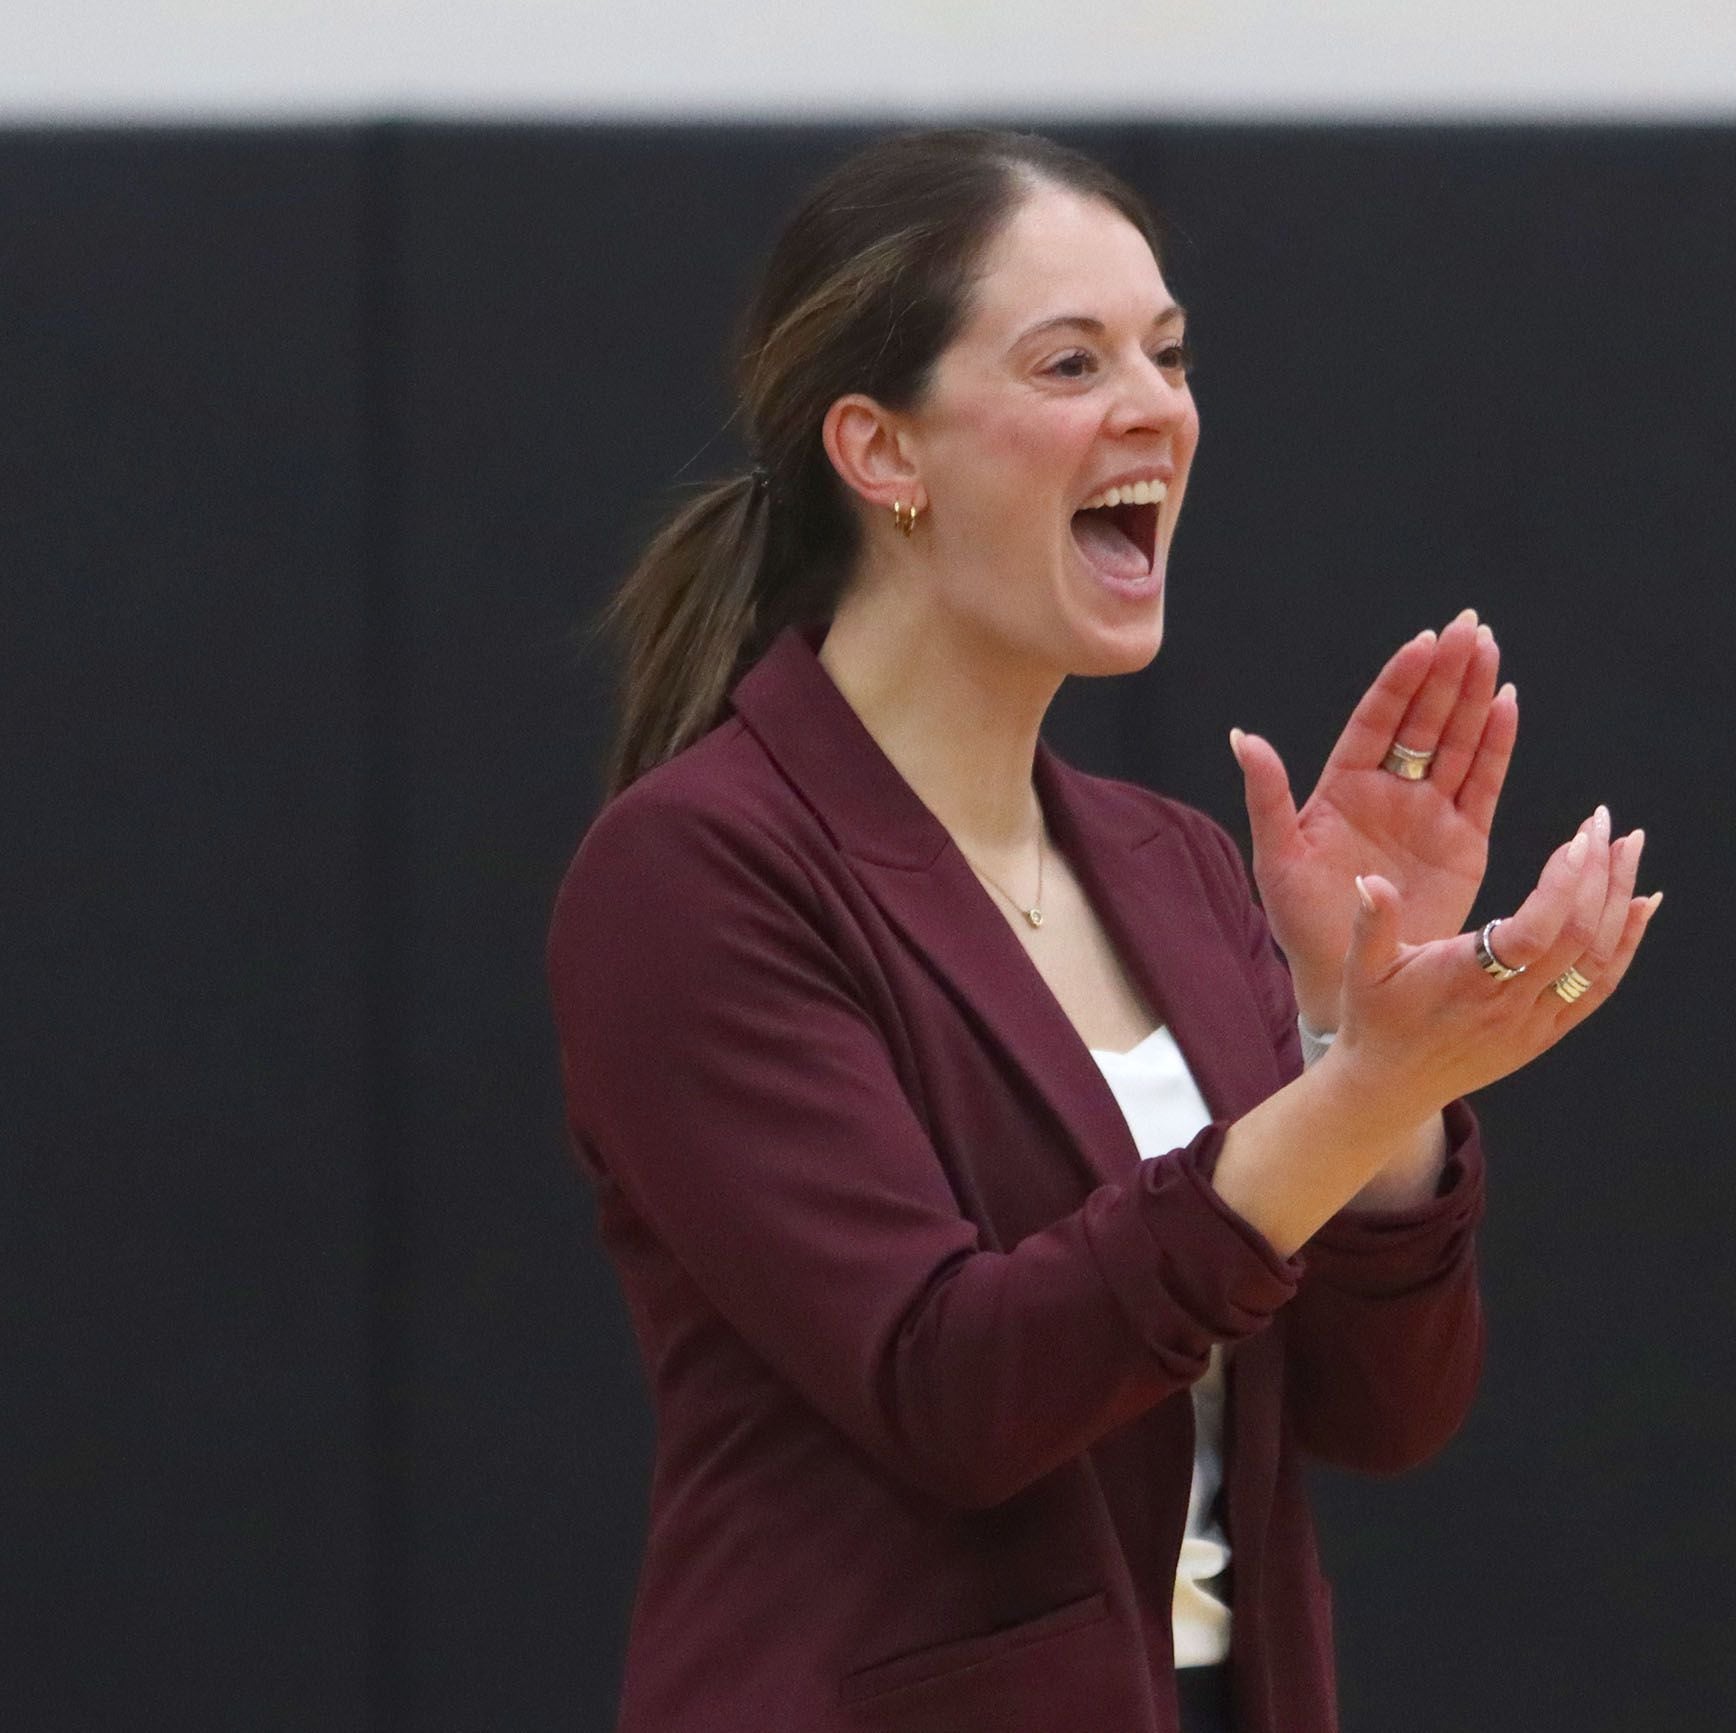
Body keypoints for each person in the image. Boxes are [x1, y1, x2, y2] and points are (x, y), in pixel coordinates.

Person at [545, 128, 1660, 1733]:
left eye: (1170, 353)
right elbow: (956, 1386)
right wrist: (1344, 1096)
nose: (1157, 407)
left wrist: (1377, 1043)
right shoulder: (699, 873)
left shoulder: (1177, 866)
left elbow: (1382, 1405)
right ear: (882, 452)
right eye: (1071, 362)